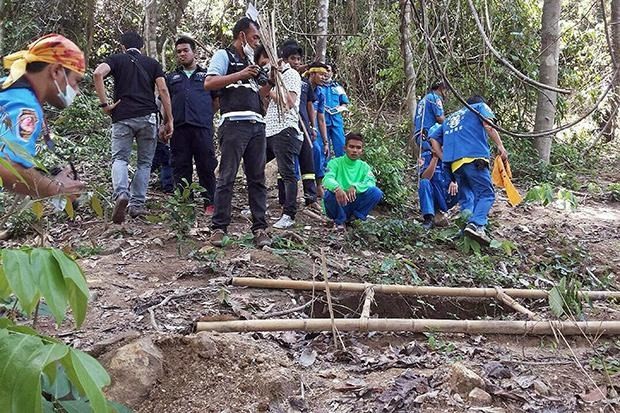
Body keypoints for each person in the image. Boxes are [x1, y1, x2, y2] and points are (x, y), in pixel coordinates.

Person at [204, 17, 272, 247]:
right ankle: (219, 228)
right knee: (226, 177)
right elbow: (210, 83)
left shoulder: (252, 60)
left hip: (256, 125)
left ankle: (260, 229)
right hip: (233, 123)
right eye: (254, 37)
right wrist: (240, 74)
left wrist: (271, 80)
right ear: (242, 35)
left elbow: (260, 94)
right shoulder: (224, 56)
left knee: (257, 179)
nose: (256, 42)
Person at [94, 31, 173, 224]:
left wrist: (105, 105)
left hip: (122, 116)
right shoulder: (152, 63)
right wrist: (168, 118)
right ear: (142, 47)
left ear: (122, 46)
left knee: (120, 158)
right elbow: (162, 90)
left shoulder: (116, 59)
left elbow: (97, 73)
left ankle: (121, 193)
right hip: (147, 117)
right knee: (145, 162)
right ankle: (137, 204)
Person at [0, 34, 85, 198]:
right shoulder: (25, 105)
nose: (77, 91)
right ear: (56, 71)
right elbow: (6, 166)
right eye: (77, 81)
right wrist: (55, 188)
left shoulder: (8, 88)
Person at [429, 95, 508, 244]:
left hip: (455, 165)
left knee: (467, 198)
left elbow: (433, 138)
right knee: (486, 194)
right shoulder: (478, 107)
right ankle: (476, 225)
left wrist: (443, 156)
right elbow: (489, 125)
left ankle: (465, 232)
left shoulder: (451, 118)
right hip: (474, 159)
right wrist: (500, 146)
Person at [165, 36, 218, 214]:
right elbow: (165, 102)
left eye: (185, 50)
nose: (182, 54)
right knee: (180, 165)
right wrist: (165, 123)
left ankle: (210, 202)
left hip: (202, 127)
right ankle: (184, 203)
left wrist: (205, 114)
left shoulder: (207, 76)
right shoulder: (172, 77)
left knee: (206, 165)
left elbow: (216, 101)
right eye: (179, 51)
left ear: (194, 52)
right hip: (179, 128)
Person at [255, 44, 303, 229]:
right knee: (255, 165)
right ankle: (259, 205)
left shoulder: (291, 75)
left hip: (285, 129)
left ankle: (289, 214)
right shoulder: (276, 77)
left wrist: (273, 90)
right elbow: (261, 94)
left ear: (279, 59)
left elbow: (289, 102)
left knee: (287, 173)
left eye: (268, 62)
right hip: (269, 130)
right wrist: (269, 82)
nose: (265, 65)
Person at [279, 40, 320, 211]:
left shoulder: (304, 83)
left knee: (307, 161)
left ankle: (311, 198)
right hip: (286, 125)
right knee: (286, 163)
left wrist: (313, 126)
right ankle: (285, 199)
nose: (296, 62)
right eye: (292, 58)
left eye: (298, 59)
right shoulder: (280, 79)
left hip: (303, 125)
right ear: (285, 59)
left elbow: (310, 104)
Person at [322, 132, 383, 230]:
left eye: (358, 148)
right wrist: (337, 188)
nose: (355, 150)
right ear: (345, 148)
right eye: (351, 147)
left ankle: (355, 218)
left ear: (362, 151)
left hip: (355, 202)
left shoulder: (364, 167)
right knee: (328, 195)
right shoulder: (335, 163)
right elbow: (327, 179)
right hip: (338, 203)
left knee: (376, 192)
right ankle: (339, 221)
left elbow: (371, 181)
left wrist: (356, 187)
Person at [418, 123, 458, 230]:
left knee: (467, 184)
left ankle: (469, 219)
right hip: (435, 193)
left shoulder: (453, 156)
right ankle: (429, 218)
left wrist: (456, 181)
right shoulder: (425, 157)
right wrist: (434, 159)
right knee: (424, 183)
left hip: (449, 194)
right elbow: (425, 177)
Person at [305, 62, 329, 198]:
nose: (324, 78)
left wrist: (325, 141)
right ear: (312, 73)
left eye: (326, 76)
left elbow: (321, 118)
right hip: (300, 128)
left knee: (318, 152)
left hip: (312, 131)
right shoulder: (302, 86)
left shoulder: (320, 93)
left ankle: (318, 186)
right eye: (321, 74)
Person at [322, 63, 349, 157]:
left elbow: (345, 103)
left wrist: (339, 108)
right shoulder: (317, 87)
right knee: (324, 149)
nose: (326, 73)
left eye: (328, 70)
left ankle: (342, 169)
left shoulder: (338, 87)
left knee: (341, 146)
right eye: (324, 70)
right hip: (322, 122)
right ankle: (327, 170)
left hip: (336, 121)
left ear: (332, 73)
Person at [413, 81, 447, 154]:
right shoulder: (435, 98)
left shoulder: (422, 101)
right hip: (429, 134)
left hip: (419, 136)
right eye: (445, 90)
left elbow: (415, 122)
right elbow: (440, 118)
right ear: (440, 88)